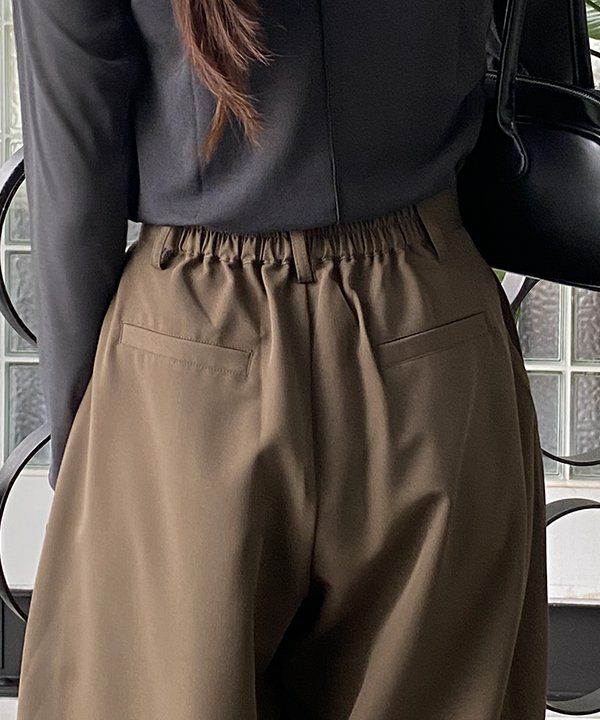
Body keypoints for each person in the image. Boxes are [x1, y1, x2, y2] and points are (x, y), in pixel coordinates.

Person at [11, 0, 548, 717]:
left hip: (186, 363)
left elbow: (75, 172)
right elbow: (528, 62)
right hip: (431, 338)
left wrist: (81, 446)